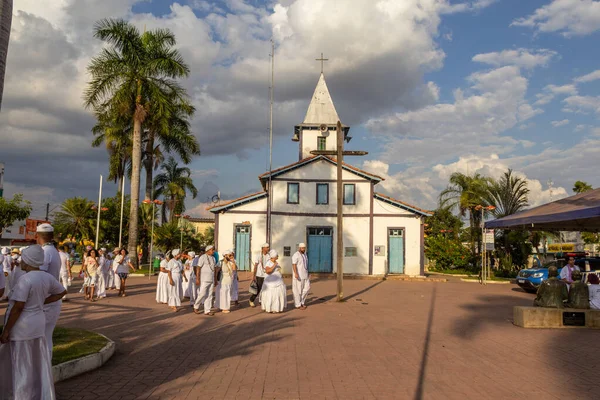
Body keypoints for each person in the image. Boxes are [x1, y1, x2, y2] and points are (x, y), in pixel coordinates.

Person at [0, 245, 67, 399]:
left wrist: (6, 330)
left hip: (23, 326)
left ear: (29, 261)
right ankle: (39, 393)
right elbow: (61, 292)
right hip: (38, 323)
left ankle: (22, 395)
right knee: (36, 360)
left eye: (23, 258)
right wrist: (40, 302)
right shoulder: (46, 277)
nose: (21, 261)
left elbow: (18, 307)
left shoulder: (26, 279)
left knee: (21, 363)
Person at [36, 223, 62, 358]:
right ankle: (45, 369)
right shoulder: (54, 251)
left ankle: (44, 370)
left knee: (42, 338)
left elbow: (41, 275)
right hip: (52, 299)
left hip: (47, 299)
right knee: (46, 337)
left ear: (38, 236)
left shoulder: (45, 252)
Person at [194, 245, 217, 316]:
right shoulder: (202, 257)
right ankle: (196, 306)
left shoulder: (213, 258)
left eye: (213, 250)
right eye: (212, 250)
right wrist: (197, 278)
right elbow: (198, 268)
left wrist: (215, 280)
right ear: (208, 250)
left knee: (210, 295)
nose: (213, 251)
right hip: (204, 279)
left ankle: (207, 310)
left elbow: (214, 270)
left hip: (211, 279)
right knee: (202, 294)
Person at [250, 243, 270, 307]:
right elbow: (255, 266)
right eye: (267, 247)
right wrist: (253, 276)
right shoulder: (258, 255)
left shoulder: (269, 256)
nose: (268, 248)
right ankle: (251, 300)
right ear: (263, 248)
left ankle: (261, 301)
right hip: (259, 275)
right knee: (258, 289)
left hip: (266, 275)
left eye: (268, 247)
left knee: (266, 289)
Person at [292, 243, 310, 310]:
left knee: (307, 288)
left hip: (305, 274)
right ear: (299, 248)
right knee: (298, 290)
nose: (304, 249)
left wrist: (308, 272)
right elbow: (294, 265)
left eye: (304, 248)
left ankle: (302, 301)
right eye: (302, 248)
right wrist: (296, 273)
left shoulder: (305, 254)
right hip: (298, 275)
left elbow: (305, 264)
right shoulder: (296, 255)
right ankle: (298, 304)